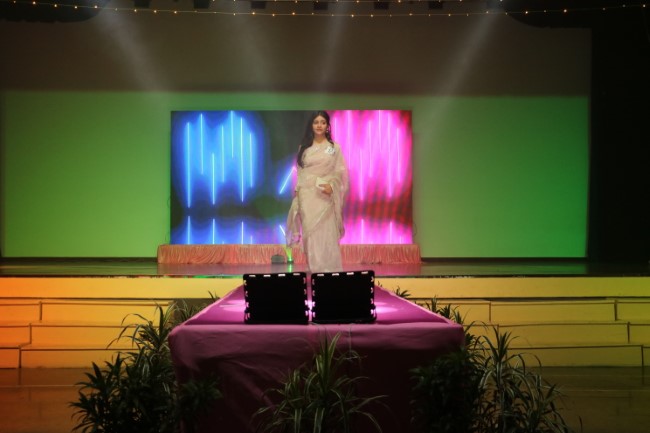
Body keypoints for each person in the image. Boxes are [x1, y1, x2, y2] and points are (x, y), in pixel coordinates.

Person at [286, 111, 349, 272]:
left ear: (328, 126)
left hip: (325, 196)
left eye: (323, 122)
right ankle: (315, 271)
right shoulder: (304, 148)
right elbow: (300, 173)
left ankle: (329, 272)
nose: (319, 125)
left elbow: (340, 172)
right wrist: (298, 195)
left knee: (326, 234)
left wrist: (332, 186)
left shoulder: (334, 148)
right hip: (307, 197)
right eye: (316, 122)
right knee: (311, 235)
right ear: (311, 125)